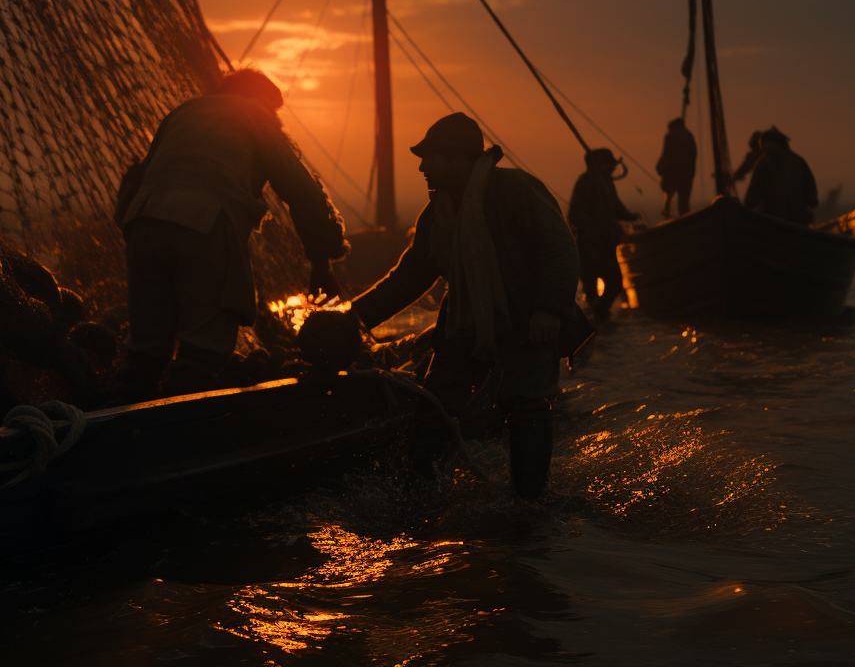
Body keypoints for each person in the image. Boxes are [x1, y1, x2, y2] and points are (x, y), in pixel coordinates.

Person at [348, 112, 590, 502]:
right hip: (466, 322)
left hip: (530, 320)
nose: (422, 167)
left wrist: (549, 309)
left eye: (430, 158)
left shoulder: (517, 189)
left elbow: (560, 249)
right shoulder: (437, 214)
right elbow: (408, 278)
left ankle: (529, 507)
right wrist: (352, 319)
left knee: (525, 402)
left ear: (459, 159)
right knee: (436, 402)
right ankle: (420, 495)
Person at [114, 69, 346, 399]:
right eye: (274, 109)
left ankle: (122, 432)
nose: (276, 117)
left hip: (142, 222)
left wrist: (140, 234)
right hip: (205, 223)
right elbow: (303, 192)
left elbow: (138, 177)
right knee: (203, 352)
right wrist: (321, 262)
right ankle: (174, 443)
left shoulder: (185, 111)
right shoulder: (255, 114)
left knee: (146, 350)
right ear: (263, 100)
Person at [567, 148, 640, 319]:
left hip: (604, 245)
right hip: (590, 245)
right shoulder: (587, 181)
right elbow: (576, 213)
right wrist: (594, 229)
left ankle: (598, 316)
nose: (614, 168)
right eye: (610, 164)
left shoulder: (605, 183)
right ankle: (595, 319)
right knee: (599, 285)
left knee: (614, 282)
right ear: (601, 164)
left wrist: (631, 216)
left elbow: (615, 209)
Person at [743, 126, 818, 225]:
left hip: (776, 224)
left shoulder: (764, 164)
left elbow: (751, 200)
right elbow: (812, 198)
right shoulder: (798, 162)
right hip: (793, 223)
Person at [656, 117, 697, 218]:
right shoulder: (689, 136)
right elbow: (694, 155)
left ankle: (667, 215)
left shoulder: (671, 136)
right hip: (687, 175)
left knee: (668, 199)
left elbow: (667, 155)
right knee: (684, 204)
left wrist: (659, 167)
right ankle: (685, 220)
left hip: (673, 174)